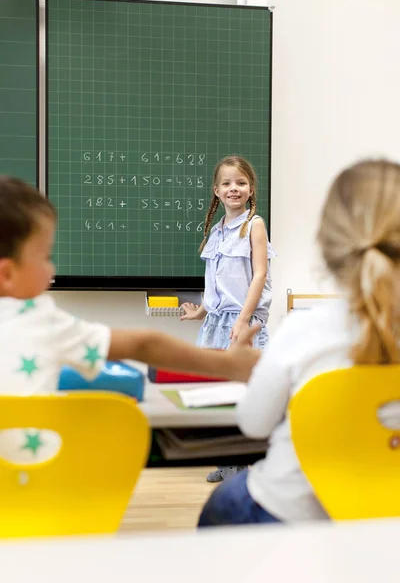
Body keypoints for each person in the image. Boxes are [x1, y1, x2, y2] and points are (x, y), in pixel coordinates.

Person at [0, 175, 261, 464]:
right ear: (8, 274)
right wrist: (230, 365)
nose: (52, 267)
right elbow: (144, 344)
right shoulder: (41, 321)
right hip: (46, 496)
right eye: (45, 256)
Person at [198, 158, 400, 526]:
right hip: (387, 521)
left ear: (328, 244)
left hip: (290, 511)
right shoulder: (221, 232)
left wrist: (245, 361)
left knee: (223, 503)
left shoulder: (303, 332)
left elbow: (255, 425)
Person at [180, 155, 276, 482]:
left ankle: (245, 464)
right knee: (217, 389)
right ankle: (226, 460)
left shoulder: (254, 225)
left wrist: (243, 319)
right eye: (227, 183)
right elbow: (218, 280)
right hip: (217, 321)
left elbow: (259, 274)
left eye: (241, 182)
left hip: (242, 322)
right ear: (216, 191)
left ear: (250, 189)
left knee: (244, 390)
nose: (234, 188)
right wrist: (203, 310)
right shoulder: (218, 230)